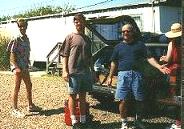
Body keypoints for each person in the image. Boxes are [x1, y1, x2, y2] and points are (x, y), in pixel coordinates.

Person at [107, 23, 170, 129]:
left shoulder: (140, 45)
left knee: (139, 100)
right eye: (123, 31)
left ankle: (138, 121)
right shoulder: (118, 47)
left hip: (137, 75)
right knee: (123, 100)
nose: (125, 33)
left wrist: (159, 67)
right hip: (123, 75)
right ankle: (124, 123)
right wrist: (110, 76)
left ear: (133, 32)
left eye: (128, 31)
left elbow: (149, 58)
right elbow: (114, 63)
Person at [60, 13, 93, 128]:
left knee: (83, 96)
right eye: (76, 21)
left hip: (85, 72)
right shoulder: (70, 37)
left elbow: (90, 57)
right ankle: (74, 121)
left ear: (84, 22)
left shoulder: (87, 39)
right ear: (74, 23)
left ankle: (83, 120)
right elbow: (64, 55)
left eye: (80, 21)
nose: (78, 23)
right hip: (73, 72)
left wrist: (92, 71)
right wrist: (64, 70)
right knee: (72, 96)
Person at [7, 18, 41, 118]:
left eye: (24, 26)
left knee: (29, 85)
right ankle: (14, 109)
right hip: (18, 67)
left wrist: (28, 63)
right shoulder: (16, 38)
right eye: (20, 26)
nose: (22, 28)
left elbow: (26, 52)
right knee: (17, 87)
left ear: (26, 26)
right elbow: (12, 54)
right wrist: (16, 67)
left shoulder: (26, 38)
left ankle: (30, 106)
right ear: (18, 27)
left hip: (24, 65)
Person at [160, 23, 181, 129]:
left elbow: (168, 59)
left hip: (174, 73)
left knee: (176, 99)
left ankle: (178, 124)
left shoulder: (171, 44)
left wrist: (163, 59)